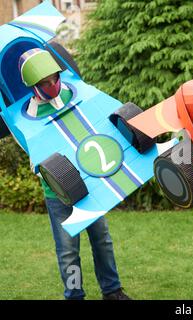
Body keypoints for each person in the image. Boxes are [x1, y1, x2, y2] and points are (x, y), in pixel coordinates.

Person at [18, 48, 130, 300]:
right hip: (58, 193)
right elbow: (36, 155)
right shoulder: (29, 116)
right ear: (33, 86)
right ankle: (75, 294)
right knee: (68, 250)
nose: (52, 85)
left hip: (89, 182)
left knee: (102, 239)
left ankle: (112, 291)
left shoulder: (71, 94)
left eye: (54, 78)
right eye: (44, 82)